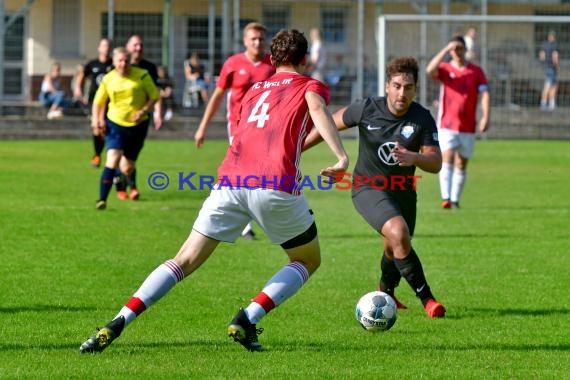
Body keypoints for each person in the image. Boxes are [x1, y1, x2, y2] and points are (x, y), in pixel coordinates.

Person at [79, 29, 349, 353]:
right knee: (307, 259)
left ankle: (118, 321)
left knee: (183, 260)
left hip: (230, 181)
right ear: (305, 60)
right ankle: (248, 317)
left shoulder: (253, 91)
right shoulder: (309, 85)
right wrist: (341, 156)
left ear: (272, 59)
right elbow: (317, 109)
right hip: (274, 183)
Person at [303, 56, 446, 318]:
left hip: (403, 190)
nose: (402, 93)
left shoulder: (422, 118)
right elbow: (327, 123)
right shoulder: (367, 108)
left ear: (415, 89)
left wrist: (416, 158)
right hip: (367, 188)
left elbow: (436, 162)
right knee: (399, 232)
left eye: (409, 87)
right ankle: (428, 300)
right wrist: (297, 150)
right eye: (397, 86)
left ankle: (385, 290)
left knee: (394, 246)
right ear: (387, 86)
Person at [194, 22, 275, 240]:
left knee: (260, 172)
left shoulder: (272, 64)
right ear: (245, 41)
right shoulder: (233, 64)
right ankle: (243, 223)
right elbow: (218, 96)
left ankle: (245, 212)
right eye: (253, 39)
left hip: (266, 128)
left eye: (260, 39)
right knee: (244, 170)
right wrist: (203, 127)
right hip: (239, 127)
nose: (257, 43)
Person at [426, 35, 490, 209]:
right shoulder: (445, 69)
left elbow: (485, 94)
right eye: (454, 49)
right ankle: (445, 198)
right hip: (447, 124)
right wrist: (446, 48)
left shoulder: (476, 71)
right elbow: (430, 69)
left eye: (460, 48)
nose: (457, 52)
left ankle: (455, 199)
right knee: (447, 157)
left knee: (462, 162)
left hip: (468, 126)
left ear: (465, 50)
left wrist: (485, 116)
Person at [91, 47, 159, 210]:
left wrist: (142, 110)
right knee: (112, 158)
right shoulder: (108, 79)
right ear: (114, 62)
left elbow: (155, 96)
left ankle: (127, 183)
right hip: (115, 123)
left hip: (138, 126)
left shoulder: (142, 75)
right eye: (120, 61)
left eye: (126, 61)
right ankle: (102, 199)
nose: (123, 64)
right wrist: (97, 120)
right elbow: (98, 102)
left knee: (127, 167)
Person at [118, 34, 163, 200]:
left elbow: (155, 93)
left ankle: (124, 184)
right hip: (119, 118)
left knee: (132, 154)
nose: (139, 48)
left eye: (141, 45)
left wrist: (157, 112)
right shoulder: (117, 67)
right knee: (119, 151)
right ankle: (127, 187)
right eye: (135, 45)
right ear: (127, 47)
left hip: (141, 118)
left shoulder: (149, 68)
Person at [74, 37, 114, 168]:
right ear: (99, 48)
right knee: (97, 128)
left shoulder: (114, 65)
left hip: (110, 102)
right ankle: (97, 155)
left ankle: (111, 154)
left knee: (107, 128)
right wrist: (78, 89)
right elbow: (82, 76)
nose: (106, 48)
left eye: (108, 46)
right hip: (94, 102)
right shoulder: (92, 64)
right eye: (104, 46)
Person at [539, 30, 559, 111]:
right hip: (552, 68)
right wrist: (557, 66)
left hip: (546, 67)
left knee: (550, 85)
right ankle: (548, 104)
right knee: (550, 86)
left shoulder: (544, 44)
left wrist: (543, 64)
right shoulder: (555, 45)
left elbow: (541, 56)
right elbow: (555, 56)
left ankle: (548, 103)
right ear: (554, 37)